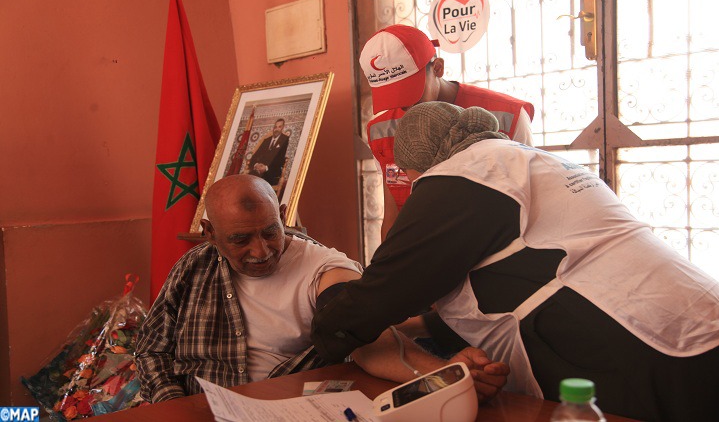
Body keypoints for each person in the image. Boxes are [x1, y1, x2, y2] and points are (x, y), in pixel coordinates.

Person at [311, 102, 719, 422]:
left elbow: (381, 292)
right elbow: (518, 276)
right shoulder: (533, 161)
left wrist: (327, 327)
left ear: (417, 166)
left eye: (406, 178)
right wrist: (414, 330)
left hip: (651, 348)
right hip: (718, 326)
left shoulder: (458, 177)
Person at [135, 174, 508, 403]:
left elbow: (363, 335)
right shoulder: (193, 268)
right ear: (210, 234)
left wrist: (444, 377)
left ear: (283, 216)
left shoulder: (324, 267)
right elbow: (152, 350)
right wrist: (175, 407)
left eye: (270, 232)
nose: (261, 251)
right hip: (194, 407)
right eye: (240, 240)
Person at [359, 24, 535, 241]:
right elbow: (393, 214)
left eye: (410, 94)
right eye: (394, 98)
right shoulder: (381, 130)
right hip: (421, 254)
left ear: (438, 68)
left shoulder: (507, 115)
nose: (405, 108)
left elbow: (526, 206)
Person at [248, 118, 289, 186]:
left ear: (283, 128)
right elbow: (255, 156)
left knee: (257, 185)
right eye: (275, 127)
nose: (277, 129)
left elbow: (280, 159)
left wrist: (266, 168)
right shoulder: (266, 140)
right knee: (249, 180)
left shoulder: (285, 139)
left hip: (271, 172)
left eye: (279, 127)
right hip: (257, 171)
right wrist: (256, 165)